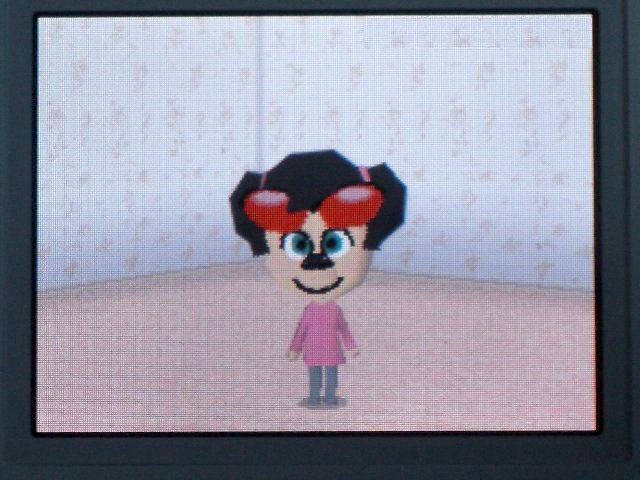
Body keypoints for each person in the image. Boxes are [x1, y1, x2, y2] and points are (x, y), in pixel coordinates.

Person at [230, 150, 406, 407]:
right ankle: (316, 397)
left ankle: (328, 397)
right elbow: (303, 330)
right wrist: (295, 348)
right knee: (316, 373)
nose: (316, 263)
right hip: (315, 352)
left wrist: (350, 346)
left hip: (329, 352)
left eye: (334, 243)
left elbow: (342, 329)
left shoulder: (330, 310)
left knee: (329, 373)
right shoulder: (313, 311)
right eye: (297, 245)